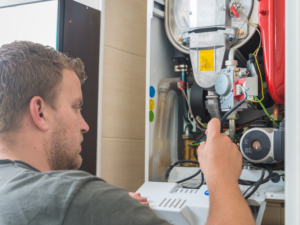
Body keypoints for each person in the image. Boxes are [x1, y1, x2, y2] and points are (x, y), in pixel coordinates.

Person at [0, 41, 254, 225]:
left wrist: (114, 211)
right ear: (40, 112)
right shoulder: (74, 198)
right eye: (76, 107)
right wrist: (222, 177)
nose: (84, 125)